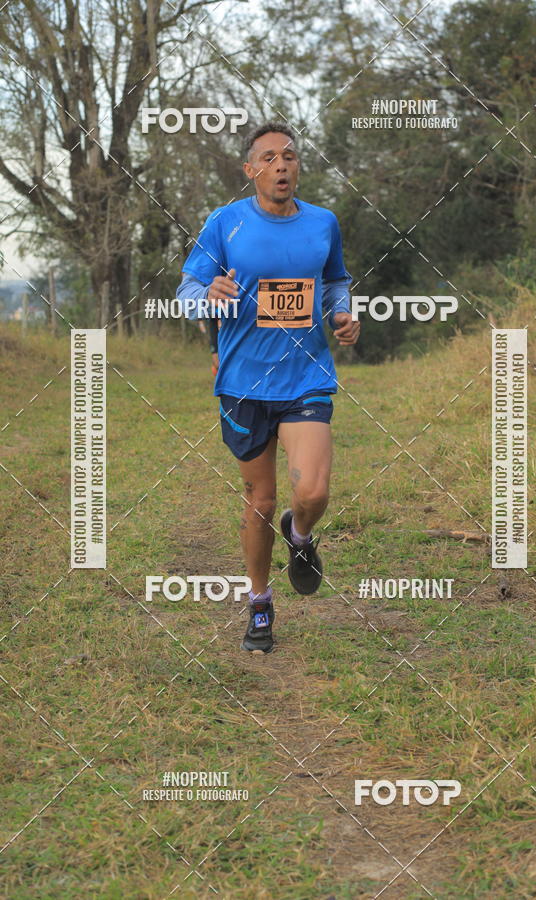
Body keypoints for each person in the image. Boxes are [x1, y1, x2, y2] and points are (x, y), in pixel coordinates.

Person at [176, 121, 359, 653]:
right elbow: (187, 290)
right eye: (270, 158)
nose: (282, 165)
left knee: (313, 492)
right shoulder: (225, 223)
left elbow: (334, 281)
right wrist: (207, 291)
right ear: (250, 169)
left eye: (291, 157)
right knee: (259, 502)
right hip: (243, 384)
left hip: (306, 378)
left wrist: (342, 314)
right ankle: (259, 602)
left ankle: (299, 537)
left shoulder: (323, 223)